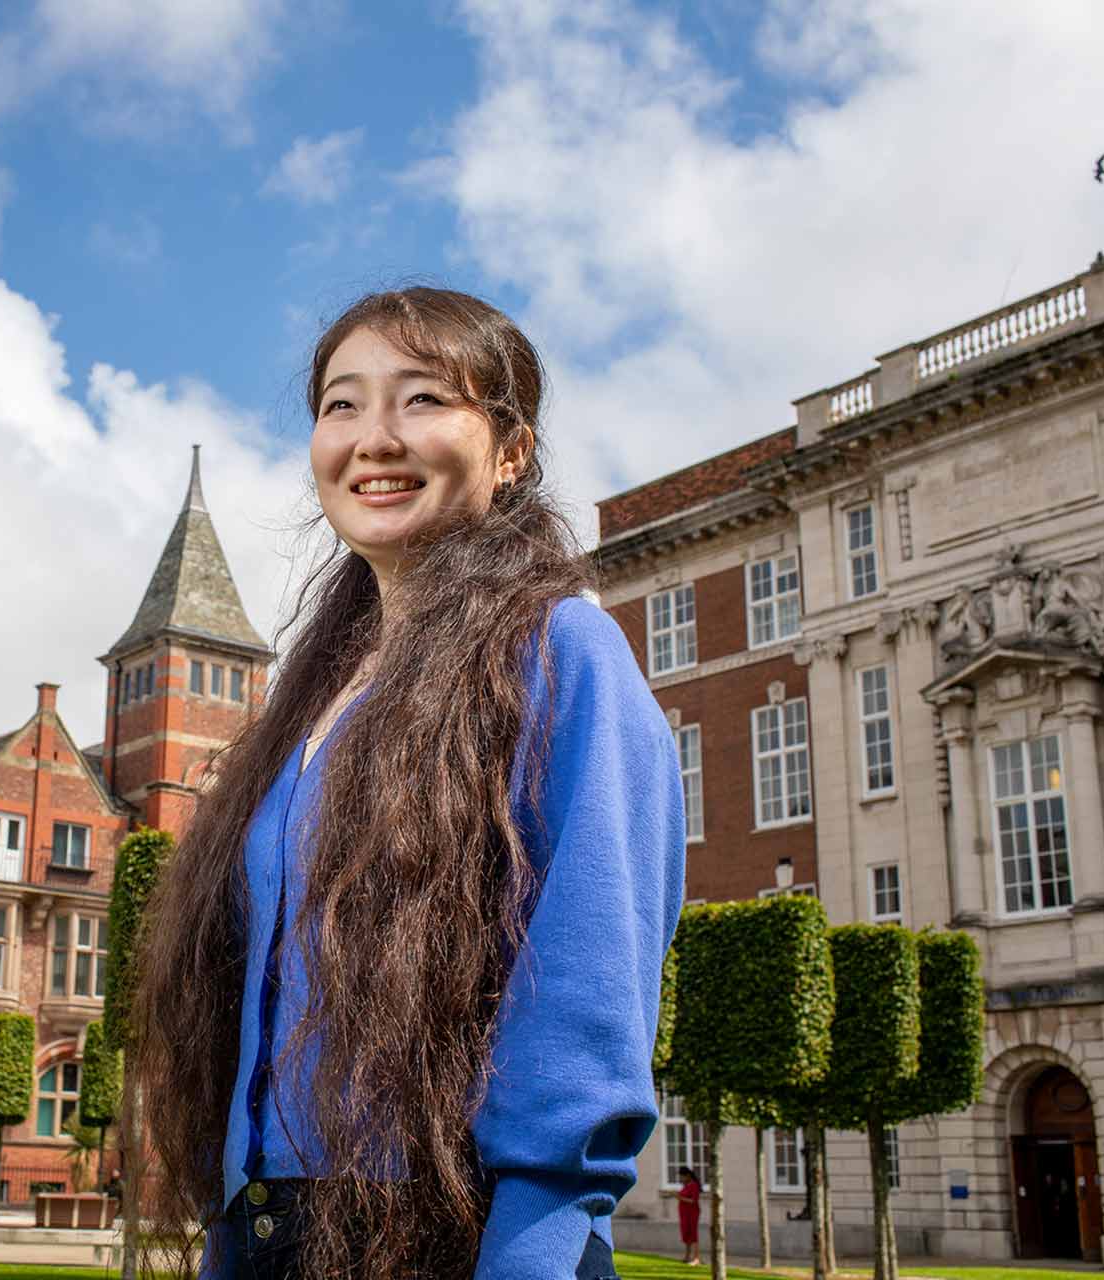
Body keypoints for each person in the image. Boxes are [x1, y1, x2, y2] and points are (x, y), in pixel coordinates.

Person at [129, 289, 685, 1280]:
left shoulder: (562, 652)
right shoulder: (308, 704)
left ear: (510, 449)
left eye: (422, 398)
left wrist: (536, 1249)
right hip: (269, 1230)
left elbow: (587, 987)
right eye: (341, 405)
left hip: (451, 1231)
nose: (372, 438)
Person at [677, 1166, 703, 1265]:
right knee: (686, 1234)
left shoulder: (694, 1186)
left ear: (687, 1175)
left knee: (693, 1234)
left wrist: (679, 1197)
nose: (681, 1179)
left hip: (692, 1213)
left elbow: (693, 1201)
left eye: (682, 1177)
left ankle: (696, 1258)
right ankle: (687, 1256)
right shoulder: (686, 1186)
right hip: (684, 1214)